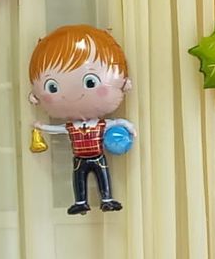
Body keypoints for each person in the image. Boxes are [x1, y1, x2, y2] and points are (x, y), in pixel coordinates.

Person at [29, 24, 136, 215]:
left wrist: (129, 127)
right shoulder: (72, 127)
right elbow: (58, 129)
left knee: (103, 175)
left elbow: (116, 123)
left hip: (98, 156)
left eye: (90, 82)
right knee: (79, 178)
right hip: (80, 159)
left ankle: (107, 199)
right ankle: (80, 201)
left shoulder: (99, 125)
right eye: (52, 87)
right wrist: (41, 126)